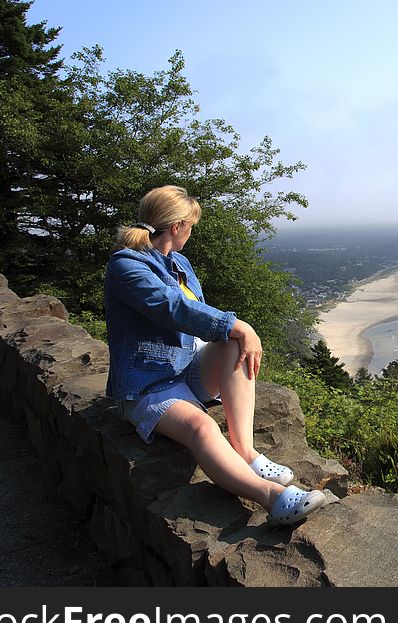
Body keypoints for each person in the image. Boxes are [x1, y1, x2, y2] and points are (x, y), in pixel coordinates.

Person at [104, 185, 325, 526]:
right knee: (202, 426)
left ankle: (246, 453)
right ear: (177, 226)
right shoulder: (125, 266)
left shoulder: (178, 262)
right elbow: (172, 307)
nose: (191, 232)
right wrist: (237, 324)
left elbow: (199, 316)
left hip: (185, 368)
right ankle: (274, 498)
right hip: (149, 385)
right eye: (190, 225)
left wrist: (235, 332)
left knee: (233, 344)